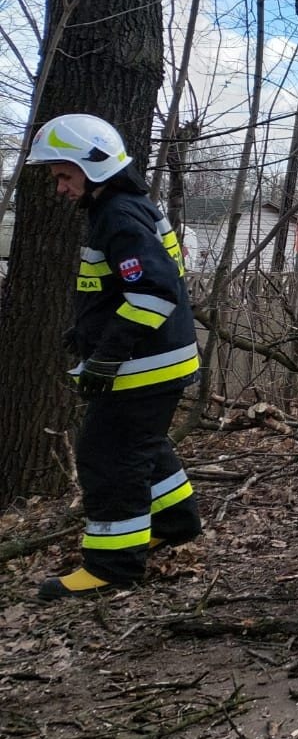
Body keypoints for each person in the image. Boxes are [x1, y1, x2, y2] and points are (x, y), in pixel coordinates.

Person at [26, 113, 203, 601]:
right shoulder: (123, 207)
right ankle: (175, 520)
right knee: (141, 443)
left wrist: (106, 356)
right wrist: (84, 330)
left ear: (94, 165)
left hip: (142, 365)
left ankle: (112, 565)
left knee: (107, 458)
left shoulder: (119, 214)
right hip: (156, 360)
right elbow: (120, 287)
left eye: (64, 175)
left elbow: (153, 291)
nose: (60, 187)